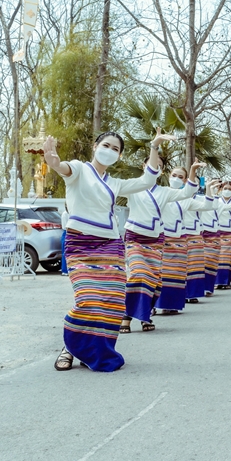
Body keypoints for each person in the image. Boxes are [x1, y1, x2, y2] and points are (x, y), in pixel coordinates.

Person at [45, 129, 170, 372]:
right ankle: (69, 347)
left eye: (115, 149)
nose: (110, 150)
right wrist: (55, 163)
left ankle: (97, 350)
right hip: (80, 244)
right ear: (95, 146)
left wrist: (154, 146)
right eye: (106, 145)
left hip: (111, 245)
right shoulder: (80, 170)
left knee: (112, 301)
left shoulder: (115, 184)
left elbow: (147, 180)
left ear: (120, 156)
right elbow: (64, 168)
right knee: (88, 298)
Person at [121, 159, 207, 328]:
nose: (154, 167)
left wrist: (192, 171)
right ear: (143, 166)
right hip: (135, 239)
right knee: (138, 274)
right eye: (151, 164)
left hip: (156, 241)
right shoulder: (132, 186)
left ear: (161, 171)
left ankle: (145, 315)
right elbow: (108, 187)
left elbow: (187, 191)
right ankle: (126, 316)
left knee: (154, 280)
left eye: (158, 165)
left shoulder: (165, 192)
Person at [181, 179, 220, 304]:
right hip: (176, 234)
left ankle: (192, 294)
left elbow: (212, 205)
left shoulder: (200, 199)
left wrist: (209, 188)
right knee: (177, 267)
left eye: (196, 183)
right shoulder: (175, 195)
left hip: (195, 234)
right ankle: (177, 296)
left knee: (194, 265)